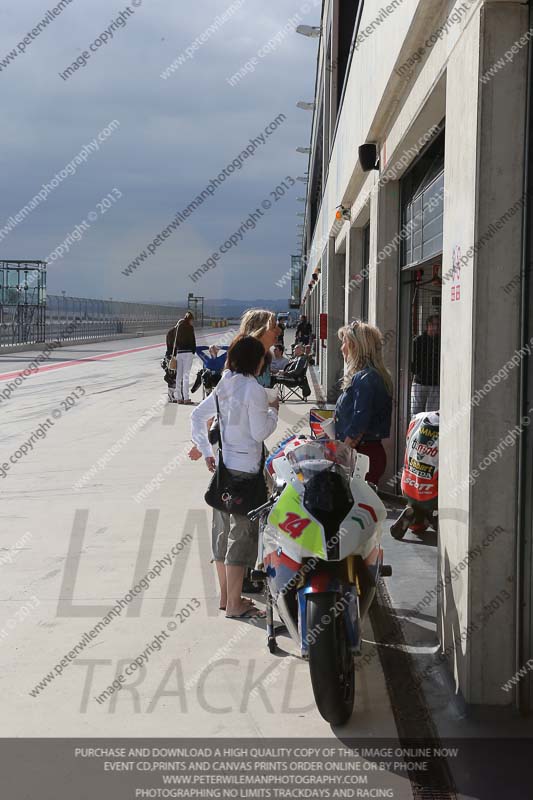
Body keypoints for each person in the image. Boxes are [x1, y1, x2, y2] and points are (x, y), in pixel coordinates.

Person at [190, 336, 279, 619]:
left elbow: (196, 415)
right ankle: (235, 604)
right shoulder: (254, 389)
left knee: (221, 531)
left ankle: (225, 597)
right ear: (256, 361)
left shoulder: (225, 382)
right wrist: (274, 412)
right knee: (241, 535)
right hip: (247, 471)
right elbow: (259, 433)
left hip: (224, 468)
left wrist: (207, 451)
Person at [334, 321, 393, 485]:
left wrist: (342, 452)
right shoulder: (372, 376)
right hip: (368, 453)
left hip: (362, 455)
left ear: (355, 346)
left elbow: (360, 422)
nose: (342, 348)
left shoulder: (364, 378)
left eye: (344, 342)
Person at [391, 410, 439, 539]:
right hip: (433, 495)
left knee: (417, 511)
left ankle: (416, 518)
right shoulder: (450, 425)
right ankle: (432, 519)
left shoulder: (417, 419)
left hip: (407, 487)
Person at [237, 309, 280, 388]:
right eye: (274, 327)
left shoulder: (266, 356)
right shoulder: (244, 361)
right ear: (260, 330)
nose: (279, 331)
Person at [411, 314, 440, 416]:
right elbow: (412, 361)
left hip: (435, 384)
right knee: (415, 413)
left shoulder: (441, 342)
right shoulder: (418, 341)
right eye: (433, 324)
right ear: (427, 326)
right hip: (419, 382)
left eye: (437, 325)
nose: (435, 328)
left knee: (431, 415)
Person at [168, 311, 196, 404]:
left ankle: (179, 398)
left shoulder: (179, 327)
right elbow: (193, 340)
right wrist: (193, 351)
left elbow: (175, 341)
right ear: (190, 319)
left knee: (179, 376)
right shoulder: (190, 328)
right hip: (188, 353)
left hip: (179, 353)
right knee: (186, 376)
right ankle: (186, 398)